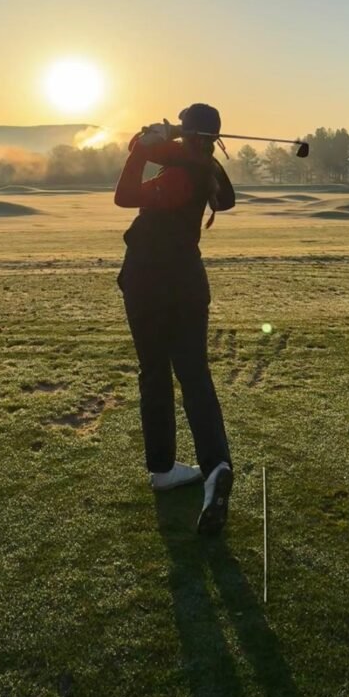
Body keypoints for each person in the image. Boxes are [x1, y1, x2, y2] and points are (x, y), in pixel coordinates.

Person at [114, 103, 235, 534]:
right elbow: (228, 195)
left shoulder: (182, 172)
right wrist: (163, 143)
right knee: (195, 375)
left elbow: (124, 195)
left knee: (155, 374)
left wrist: (142, 150)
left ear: (186, 133)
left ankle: (163, 468)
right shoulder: (202, 167)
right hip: (188, 283)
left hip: (148, 282)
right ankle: (216, 464)